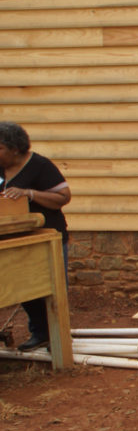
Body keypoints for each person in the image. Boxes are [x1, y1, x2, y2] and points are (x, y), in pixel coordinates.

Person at [0, 122, 72, 352]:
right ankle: (40, 333)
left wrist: (29, 193)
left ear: (15, 148)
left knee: (52, 288)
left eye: (0, 148)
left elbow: (63, 197)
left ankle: (58, 338)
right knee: (24, 288)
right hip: (15, 239)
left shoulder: (40, 166)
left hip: (47, 237)